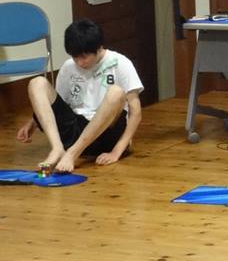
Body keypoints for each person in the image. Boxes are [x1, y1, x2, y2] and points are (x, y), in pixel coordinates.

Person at [15, 19, 143, 173]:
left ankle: (72, 154)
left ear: (98, 47)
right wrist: (33, 122)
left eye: (84, 57)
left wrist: (117, 151)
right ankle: (57, 149)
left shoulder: (120, 63)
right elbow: (56, 105)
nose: (79, 63)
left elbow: (136, 113)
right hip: (75, 129)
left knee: (116, 92)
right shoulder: (69, 66)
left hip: (105, 134)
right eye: (75, 57)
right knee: (37, 83)